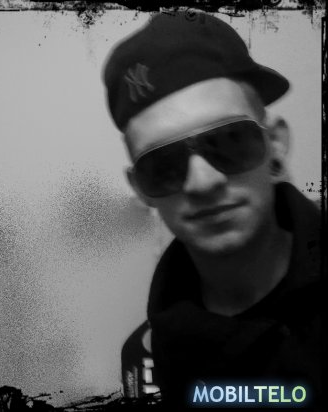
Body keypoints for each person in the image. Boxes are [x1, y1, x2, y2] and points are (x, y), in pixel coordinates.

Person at [102, 10, 322, 409]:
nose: (202, 182)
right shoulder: (147, 361)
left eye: (229, 140)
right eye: (164, 166)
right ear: (140, 189)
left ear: (274, 144)